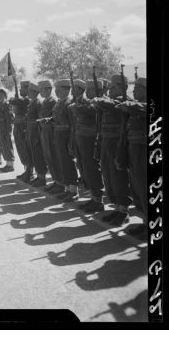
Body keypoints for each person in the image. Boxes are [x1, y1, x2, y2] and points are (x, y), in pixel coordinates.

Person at [91, 74, 131, 225]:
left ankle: (124, 211)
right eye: (110, 86)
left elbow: (110, 104)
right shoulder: (109, 102)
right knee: (108, 176)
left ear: (125, 87)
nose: (111, 89)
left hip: (118, 145)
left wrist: (99, 100)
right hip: (106, 143)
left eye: (115, 86)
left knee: (119, 177)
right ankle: (116, 208)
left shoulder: (125, 101)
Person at [116, 76, 147, 238]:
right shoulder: (134, 108)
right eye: (133, 90)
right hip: (132, 151)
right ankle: (144, 223)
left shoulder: (142, 106)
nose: (134, 92)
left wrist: (129, 104)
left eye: (137, 89)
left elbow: (142, 108)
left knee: (144, 187)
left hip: (143, 153)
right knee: (136, 188)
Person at [72, 78, 105, 214]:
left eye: (92, 89)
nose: (89, 92)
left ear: (100, 90)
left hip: (92, 140)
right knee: (85, 168)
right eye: (88, 89)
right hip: (83, 139)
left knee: (92, 169)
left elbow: (91, 110)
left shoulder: (100, 103)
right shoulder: (86, 102)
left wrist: (78, 106)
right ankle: (94, 198)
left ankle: (99, 201)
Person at [51, 79, 79, 201]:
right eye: (55, 90)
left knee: (69, 163)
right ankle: (67, 189)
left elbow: (73, 124)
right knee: (62, 163)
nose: (56, 92)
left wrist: (71, 140)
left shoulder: (69, 103)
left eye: (58, 90)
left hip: (67, 137)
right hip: (58, 136)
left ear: (66, 90)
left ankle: (74, 191)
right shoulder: (59, 103)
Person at [37, 80, 64, 194]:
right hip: (45, 131)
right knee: (49, 158)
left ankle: (60, 183)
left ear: (48, 89)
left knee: (53, 157)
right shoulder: (46, 101)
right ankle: (56, 181)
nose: (40, 92)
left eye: (41, 89)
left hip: (51, 132)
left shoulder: (52, 101)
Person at [11, 80, 33, 182]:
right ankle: (26, 170)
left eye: (22, 88)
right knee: (21, 149)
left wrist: (14, 98)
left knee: (26, 149)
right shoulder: (21, 99)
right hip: (18, 125)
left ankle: (29, 172)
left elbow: (15, 101)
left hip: (23, 126)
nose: (20, 90)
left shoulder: (27, 99)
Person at [26, 82, 47, 187]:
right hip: (31, 131)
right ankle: (39, 176)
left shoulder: (37, 103)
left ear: (35, 92)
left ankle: (42, 178)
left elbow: (39, 119)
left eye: (29, 91)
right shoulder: (32, 102)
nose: (27, 93)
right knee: (34, 154)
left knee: (38, 155)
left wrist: (39, 134)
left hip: (36, 132)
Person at [0, 87, 15, 172]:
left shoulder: (6, 104)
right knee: (3, 145)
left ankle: (10, 165)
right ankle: (7, 163)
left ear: (4, 95)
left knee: (7, 145)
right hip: (0, 127)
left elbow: (10, 118)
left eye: (0, 94)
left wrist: (8, 130)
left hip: (5, 128)